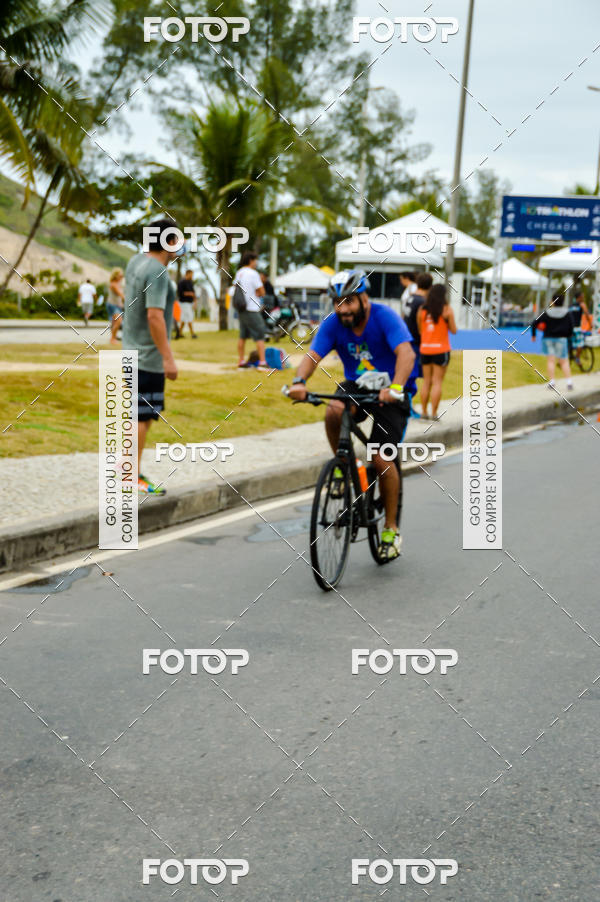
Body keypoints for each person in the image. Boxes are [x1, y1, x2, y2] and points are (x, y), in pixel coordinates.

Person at [288, 270, 415, 561]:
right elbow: (312, 356)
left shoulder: (384, 317)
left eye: (349, 301)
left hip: (391, 391)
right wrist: (299, 382)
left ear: (364, 299)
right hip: (358, 387)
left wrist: (396, 387)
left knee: (381, 456)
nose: (343, 308)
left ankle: (391, 529)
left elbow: (406, 354)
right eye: (337, 302)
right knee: (334, 409)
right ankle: (344, 466)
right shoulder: (334, 323)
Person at [122, 218, 180, 495]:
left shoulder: (136, 262)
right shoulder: (158, 272)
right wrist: (168, 358)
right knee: (141, 417)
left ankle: (128, 470)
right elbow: (155, 316)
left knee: (135, 414)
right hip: (148, 358)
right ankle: (131, 476)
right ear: (169, 242)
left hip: (129, 351)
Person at [417, 283, 457, 420]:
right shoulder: (447, 310)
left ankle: (423, 412)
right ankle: (434, 414)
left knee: (426, 381)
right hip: (441, 349)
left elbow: (420, 330)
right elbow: (454, 330)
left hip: (425, 349)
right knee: (437, 382)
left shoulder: (422, 310)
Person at [531, 292, 574, 390]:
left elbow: (534, 323)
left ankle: (552, 382)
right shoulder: (567, 313)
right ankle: (569, 383)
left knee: (551, 361)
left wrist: (533, 335)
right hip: (561, 339)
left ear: (553, 301)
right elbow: (571, 326)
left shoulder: (547, 312)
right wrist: (568, 335)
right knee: (564, 361)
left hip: (548, 338)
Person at [233, 251, 268, 370]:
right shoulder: (253, 273)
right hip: (252, 308)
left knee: (242, 335)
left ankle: (241, 361)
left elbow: (236, 288)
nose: (257, 263)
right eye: (255, 260)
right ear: (251, 260)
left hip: (241, 307)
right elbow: (262, 292)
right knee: (260, 334)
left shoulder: (239, 272)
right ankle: (262, 363)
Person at [403, 272, 432, 401]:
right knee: (411, 376)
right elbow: (421, 322)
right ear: (430, 286)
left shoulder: (410, 298)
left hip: (406, 338)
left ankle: (406, 404)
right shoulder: (423, 302)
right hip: (416, 342)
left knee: (410, 375)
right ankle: (407, 406)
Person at [177, 269, 198, 338]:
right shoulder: (181, 282)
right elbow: (180, 293)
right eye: (191, 274)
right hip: (184, 303)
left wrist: (195, 302)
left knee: (184, 318)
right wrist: (189, 293)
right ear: (187, 274)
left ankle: (179, 333)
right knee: (189, 317)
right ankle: (192, 334)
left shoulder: (191, 282)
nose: (192, 276)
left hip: (190, 303)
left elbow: (193, 293)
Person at [106, 268, 125, 344]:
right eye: (120, 276)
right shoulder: (113, 284)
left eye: (122, 276)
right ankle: (112, 339)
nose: (121, 277)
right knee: (118, 321)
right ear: (115, 276)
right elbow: (121, 295)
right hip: (112, 305)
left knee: (114, 322)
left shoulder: (118, 284)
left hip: (117, 305)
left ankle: (113, 338)